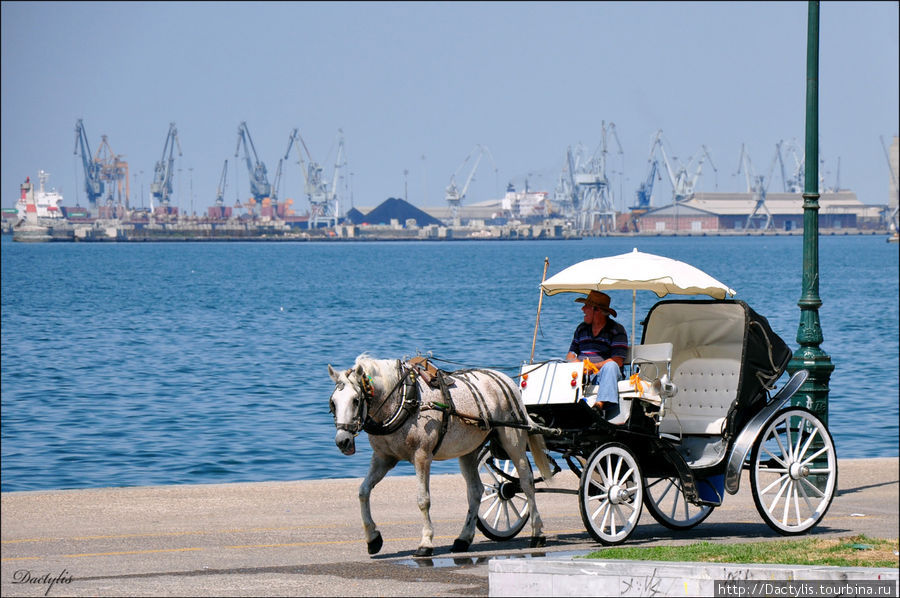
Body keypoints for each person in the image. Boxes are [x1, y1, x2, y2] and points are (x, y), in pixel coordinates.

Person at [566, 290, 628, 419]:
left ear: (597, 310)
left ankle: (599, 406)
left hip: (604, 376)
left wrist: (593, 367)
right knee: (554, 363)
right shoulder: (581, 329)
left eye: (586, 306)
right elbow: (571, 355)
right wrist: (580, 366)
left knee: (610, 366)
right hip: (582, 375)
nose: (582, 309)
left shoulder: (617, 330)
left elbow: (617, 361)